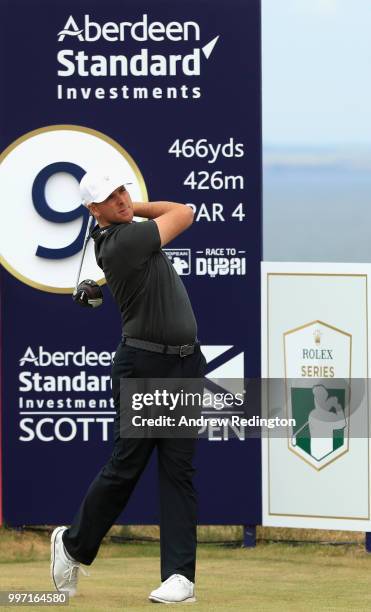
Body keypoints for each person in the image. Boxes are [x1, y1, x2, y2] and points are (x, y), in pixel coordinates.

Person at [50, 169, 206, 604]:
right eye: (109, 197)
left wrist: (127, 208)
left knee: (179, 471)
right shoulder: (123, 242)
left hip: (183, 364)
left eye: (122, 191)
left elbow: (168, 216)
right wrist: (134, 210)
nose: (120, 199)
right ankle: (71, 545)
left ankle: (180, 578)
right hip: (144, 365)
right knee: (126, 468)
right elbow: (185, 212)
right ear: (92, 210)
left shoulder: (128, 233)